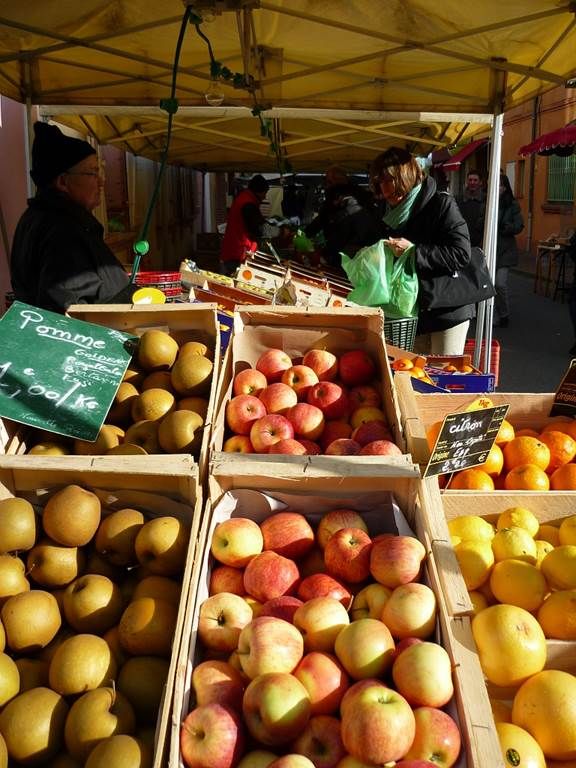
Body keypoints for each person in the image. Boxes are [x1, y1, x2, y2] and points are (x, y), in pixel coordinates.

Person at [10, 121, 131, 313]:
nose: (100, 181)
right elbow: (69, 308)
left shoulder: (45, 218)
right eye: (92, 172)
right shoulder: (61, 230)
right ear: (63, 181)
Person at [370, 146, 474, 355]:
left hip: (446, 308)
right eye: (381, 183)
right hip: (408, 311)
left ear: (406, 178)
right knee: (412, 375)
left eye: (392, 186)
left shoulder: (441, 203)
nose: (386, 192)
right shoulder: (388, 211)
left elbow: (461, 253)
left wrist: (413, 252)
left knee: (441, 376)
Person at [304, 165, 380, 268]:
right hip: (365, 255)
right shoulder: (362, 195)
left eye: (327, 181)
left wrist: (325, 254)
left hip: (345, 255)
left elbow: (337, 227)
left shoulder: (339, 198)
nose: (326, 184)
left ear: (334, 181)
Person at [219, 174, 270, 276]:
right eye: (264, 193)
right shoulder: (248, 204)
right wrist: (280, 231)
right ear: (258, 191)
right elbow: (260, 228)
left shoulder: (243, 198)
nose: (265, 197)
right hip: (237, 254)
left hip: (232, 251)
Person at [491, 173, 524, 327]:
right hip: (490, 249)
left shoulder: (512, 204)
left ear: (505, 187)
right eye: (495, 184)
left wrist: (509, 227)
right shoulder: (488, 202)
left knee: (500, 284)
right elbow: (479, 221)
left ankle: (504, 314)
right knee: (489, 285)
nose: (498, 187)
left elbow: (519, 225)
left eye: (501, 185)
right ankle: (494, 313)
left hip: (505, 251)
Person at [456, 170, 486, 247]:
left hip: (481, 242)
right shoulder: (459, 200)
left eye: (475, 180)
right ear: (467, 182)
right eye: (470, 180)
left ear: (480, 182)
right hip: (463, 241)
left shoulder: (486, 200)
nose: (472, 183)